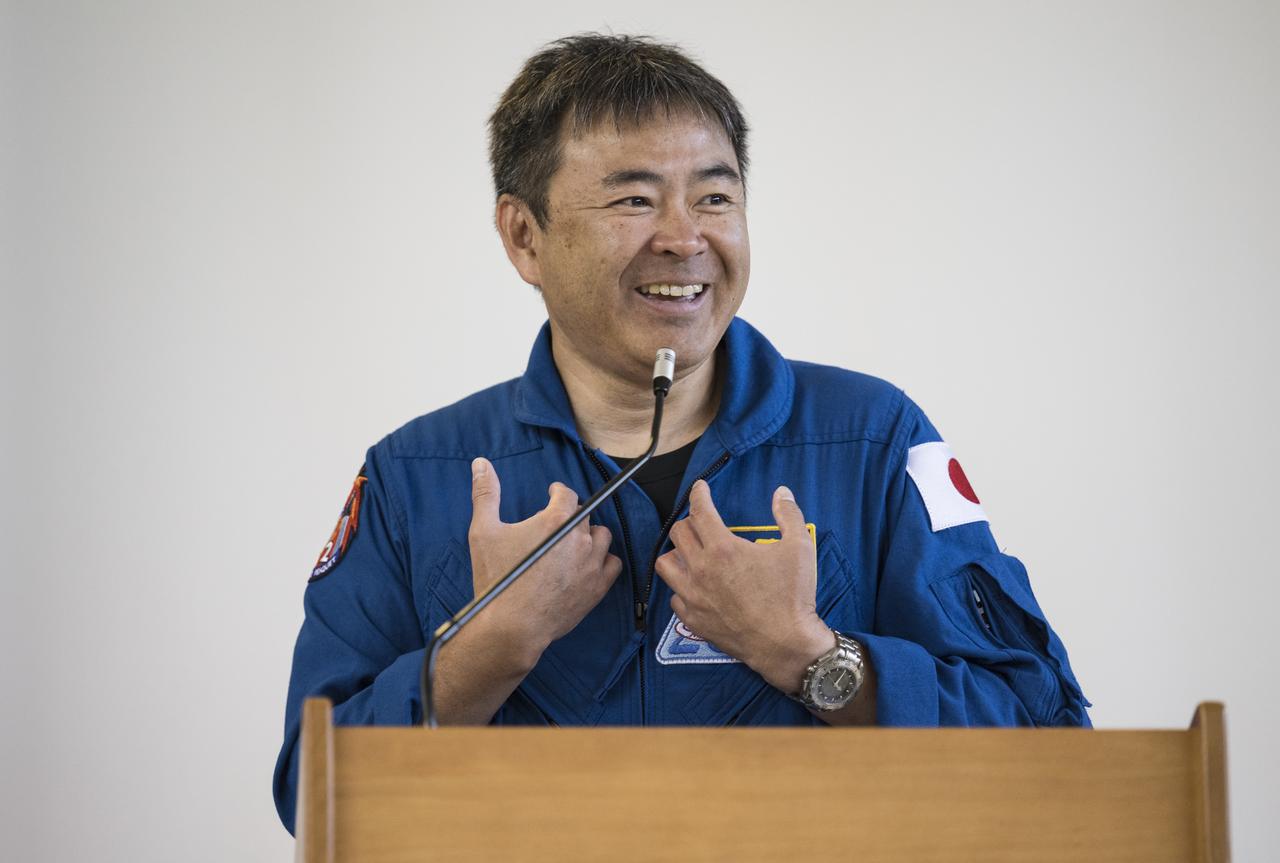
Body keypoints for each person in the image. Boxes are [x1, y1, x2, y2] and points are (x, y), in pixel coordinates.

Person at [273, 33, 1090, 834]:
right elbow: (314, 798)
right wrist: (489, 648)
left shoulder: (873, 439)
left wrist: (812, 655)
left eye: (714, 196)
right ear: (525, 236)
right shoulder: (418, 474)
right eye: (634, 198)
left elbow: (1047, 745)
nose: (685, 237)